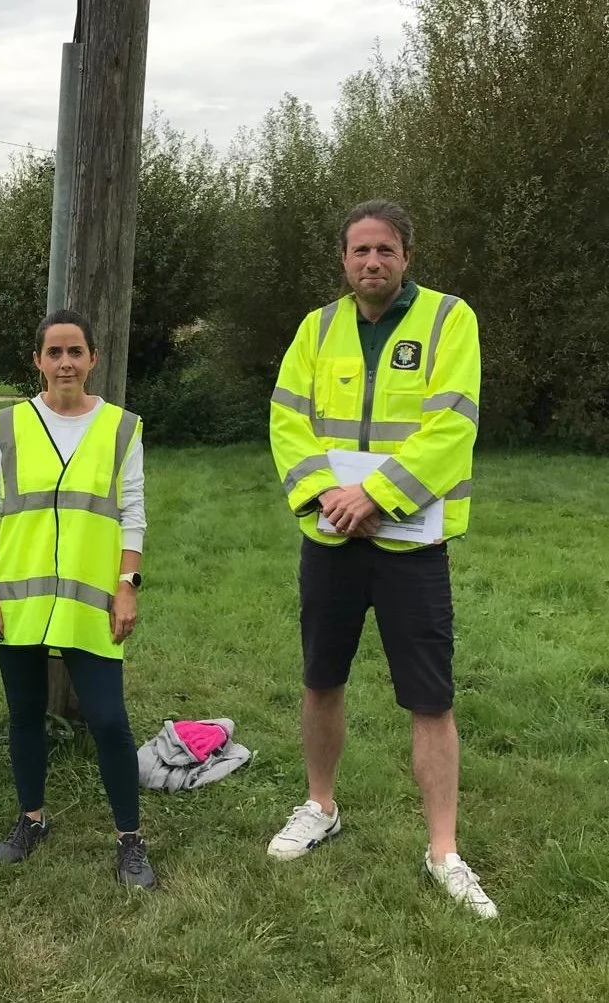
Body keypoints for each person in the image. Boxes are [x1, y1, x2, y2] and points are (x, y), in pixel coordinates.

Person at [267, 199, 497, 918]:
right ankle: (320, 805)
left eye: (385, 250)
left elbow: (451, 424)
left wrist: (374, 495)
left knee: (430, 698)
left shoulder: (448, 319)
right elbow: (287, 419)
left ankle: (443, 851)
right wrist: (329, 496)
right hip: (330, 540)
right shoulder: (316, 327)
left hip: (412, 543)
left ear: (406, 257)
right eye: (360, 250)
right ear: (343, 259)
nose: (372, 261)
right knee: (320, 679)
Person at [0, 308, 155, 889]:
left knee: (108, 719)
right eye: (55, 352)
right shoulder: (7, 425)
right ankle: (31, 820)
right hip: (18, 598)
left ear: (93, 358)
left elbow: (132, 513)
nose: (66, 362)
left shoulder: (122, 427)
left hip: (90, 600)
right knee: (25, 715)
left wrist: (126, 587)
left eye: (76, 351)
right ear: (38, 361)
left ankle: (130, 839)